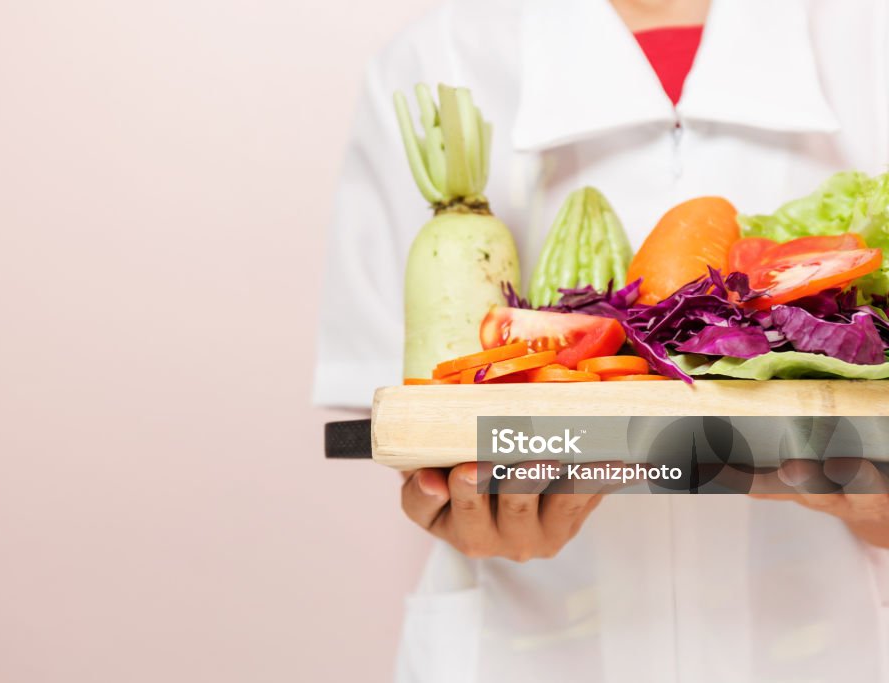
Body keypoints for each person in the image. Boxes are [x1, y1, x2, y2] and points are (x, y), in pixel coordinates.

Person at [314, 0, 889, 680]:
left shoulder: (869, 39)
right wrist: (460, 501)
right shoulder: (435, 61)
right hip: (526, 648)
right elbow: (397, 413)